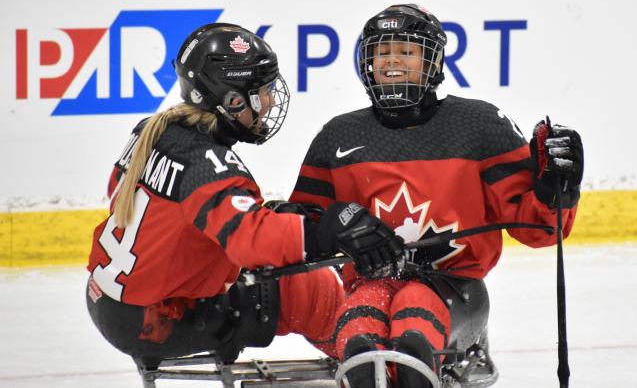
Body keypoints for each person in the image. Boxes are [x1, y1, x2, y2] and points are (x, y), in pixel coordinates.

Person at [288, 4, 584, 387]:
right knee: (360, 341)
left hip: (454, 289)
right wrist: (325, 225)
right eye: (382, 52)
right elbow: (302, 228)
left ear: (433, 62)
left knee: (413, 330)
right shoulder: (338, 136)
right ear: (366, 62)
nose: (392, 61)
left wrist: (556, 190)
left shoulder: (479, 126)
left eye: (407, 52)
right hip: (369, 286)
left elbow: (539, 231)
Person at [85, 23, 404, 370]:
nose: (269, 101)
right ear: (231, 101)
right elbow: (249, 242)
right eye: (261, 91)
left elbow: (149, 209)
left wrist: (272, 221)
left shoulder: (152, 130)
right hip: (161, 323)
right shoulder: (209, 166)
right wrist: (323, 232)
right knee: (310, 290)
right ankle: (380, 368)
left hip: (107, 304)